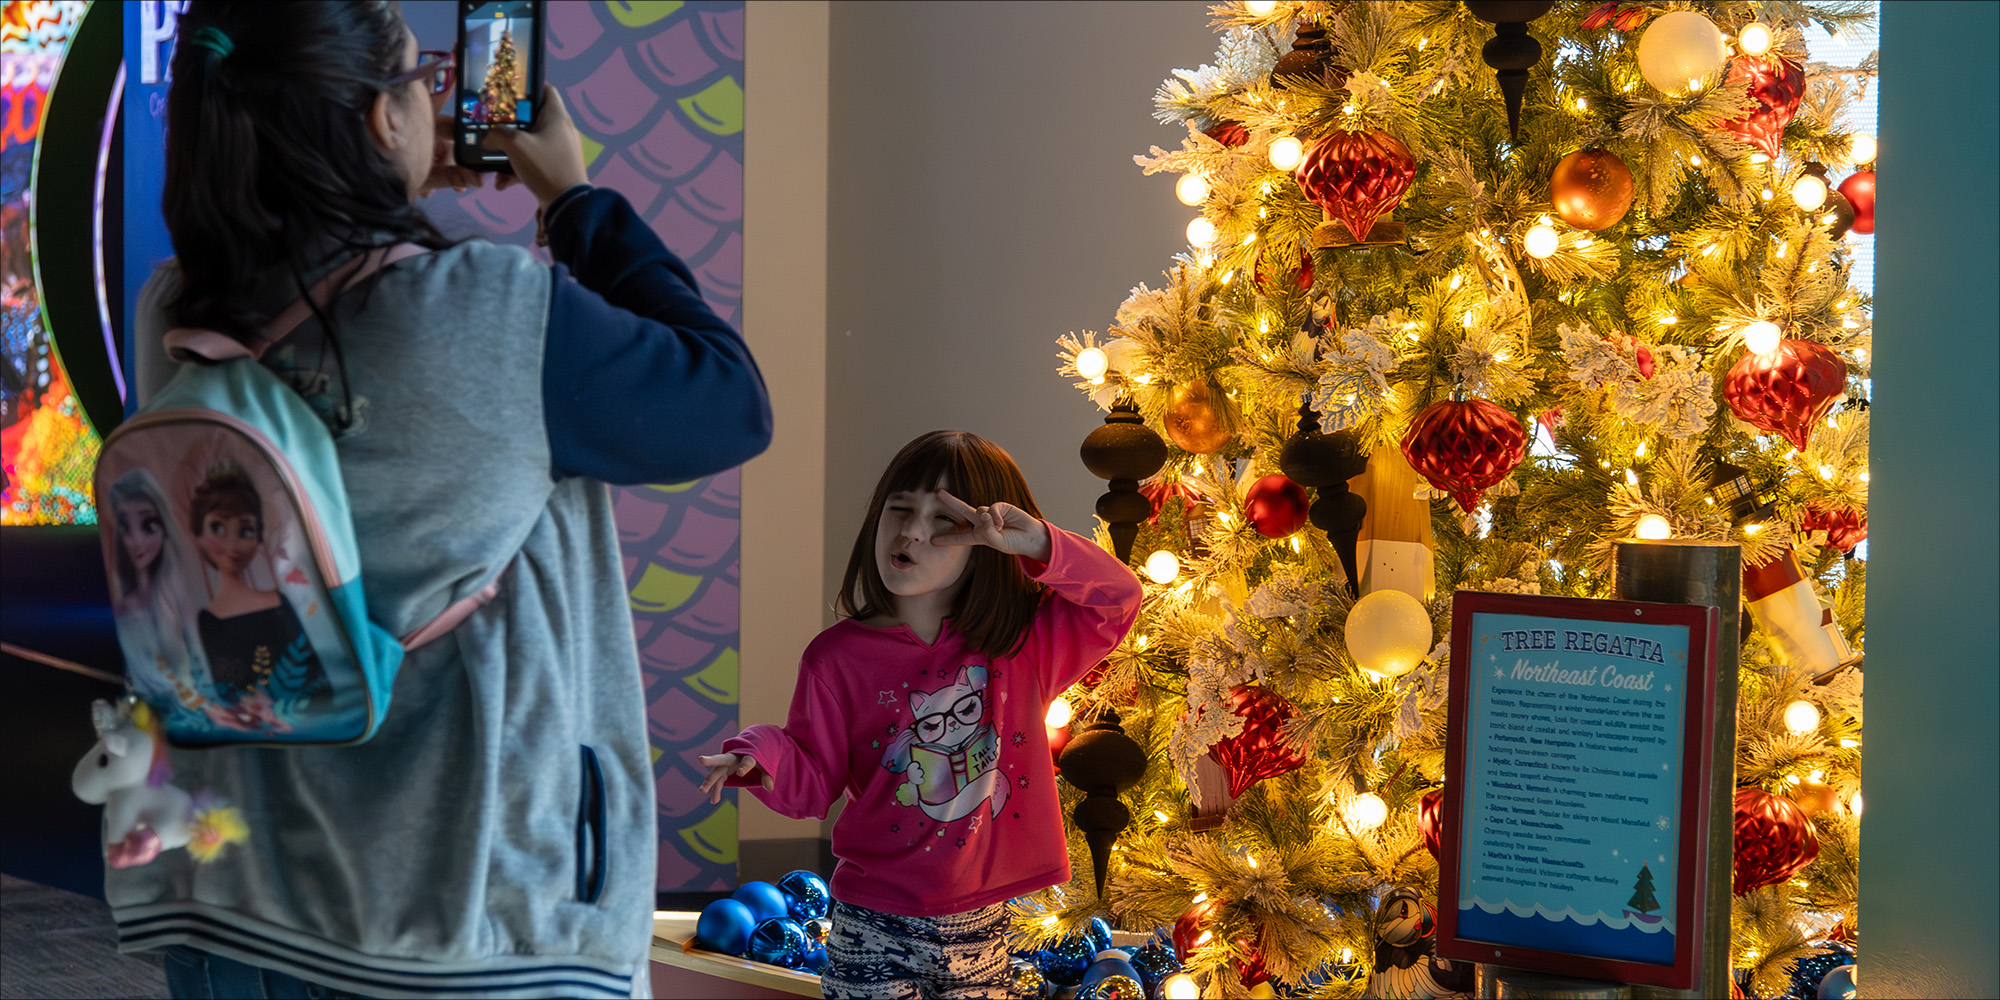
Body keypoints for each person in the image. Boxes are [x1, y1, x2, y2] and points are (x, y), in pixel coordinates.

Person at [118, 3, 772, 998]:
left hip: (230, 890)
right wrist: (574, 200)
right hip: (458, 919)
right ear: (381, 121)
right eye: (418, 78)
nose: (433, 91)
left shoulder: (175, 309)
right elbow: (728, 401)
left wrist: (388, 190)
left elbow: (343, 295)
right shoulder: (485, 306)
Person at [698, 431, 1142, 999]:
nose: (910, 531)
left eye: (942, 522)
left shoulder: (1023, 644)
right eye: (900, 509)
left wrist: (1038, 543)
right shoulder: (836, 658)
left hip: (985, 929)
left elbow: (1118, 598)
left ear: (988, 541)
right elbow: (813, 783)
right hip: (870, 925)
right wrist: (760, 754)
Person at [106, 467, 211, 719]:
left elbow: (204, 673)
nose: (136, 540)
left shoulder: (184, 598)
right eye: (125, 527)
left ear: (164, 526)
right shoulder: (125, 608)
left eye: (148, 525)